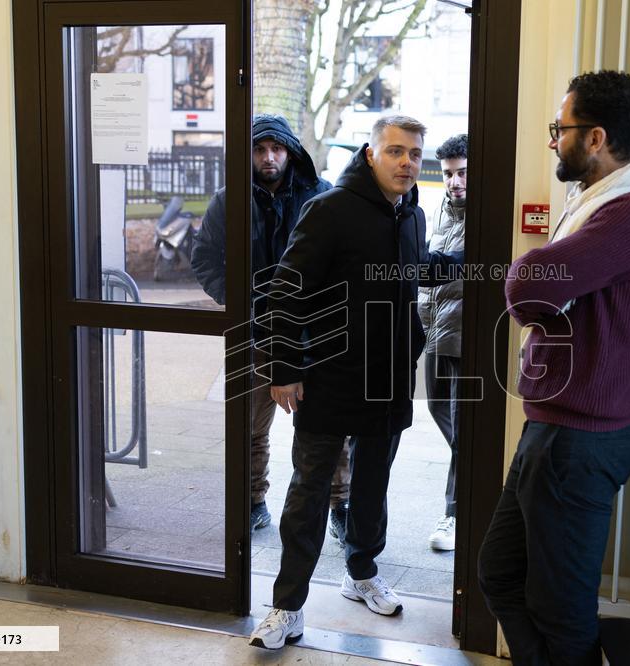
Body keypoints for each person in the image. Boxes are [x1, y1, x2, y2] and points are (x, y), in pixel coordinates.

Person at [477, 71, 630, 665]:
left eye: (559, 129)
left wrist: (531, 264)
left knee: (561, 613)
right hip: (557, 430)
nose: (552, 140)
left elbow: (526, 287)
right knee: (499, 574)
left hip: (579, 441)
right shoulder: (601, 206)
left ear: (594, 138)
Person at [249, 115, 463, 650]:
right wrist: (285, 368)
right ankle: (287, 607)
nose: (407, 162)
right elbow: (286, 292)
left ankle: (361, 572)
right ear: (371, 154)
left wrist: (476, 258)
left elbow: (416, 269)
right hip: (329, 376)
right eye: (395, 151)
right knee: (308, 491)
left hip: (388, 379)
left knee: (372, 484)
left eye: (415, 154)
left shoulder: (409, 214)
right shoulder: (329, 209)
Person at [190, 114, 351, 536]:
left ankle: (340, 505)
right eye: (260, 149)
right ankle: (253, 499)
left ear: (290, 151)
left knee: (328, 428)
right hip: (256, 332)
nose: (269, 157)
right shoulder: (229, 200)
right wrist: (243, 303)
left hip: (313, 335)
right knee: (250, 427)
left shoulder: (321, 196)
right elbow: (204, 258)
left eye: (276, 149)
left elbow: (343, 263)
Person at [417, 133, 467, 551]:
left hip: (467, 336)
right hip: (436, 332)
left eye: (463, 172)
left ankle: (454, 514)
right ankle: (482, 474)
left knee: (465, 428)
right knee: (439, 411)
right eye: (449, 174)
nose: (455, 182)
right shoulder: (442, 211)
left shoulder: (486, 212)